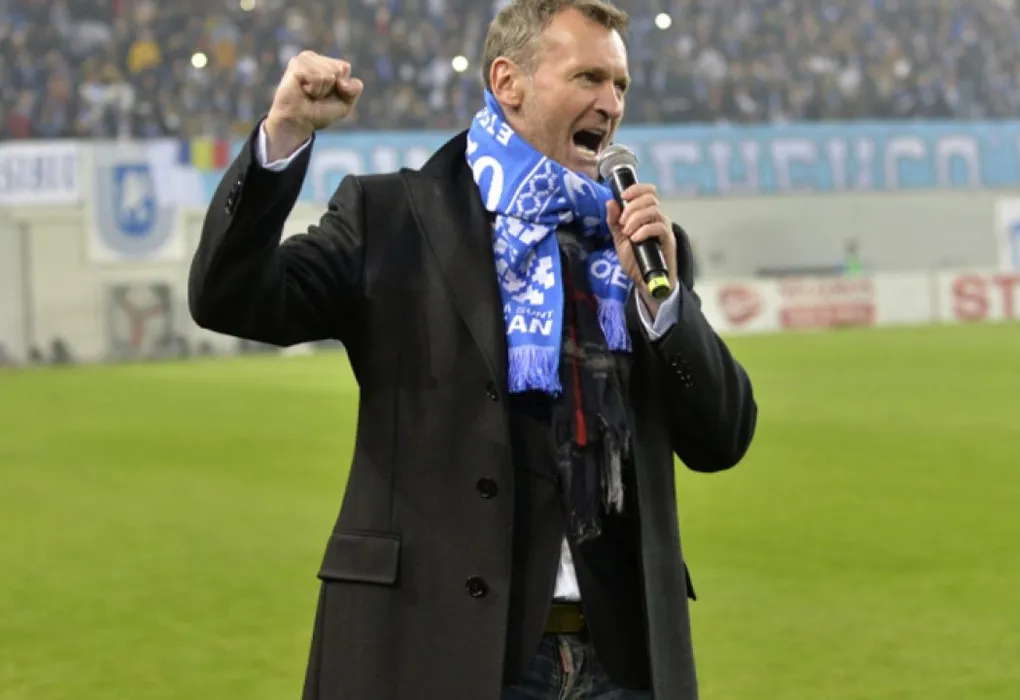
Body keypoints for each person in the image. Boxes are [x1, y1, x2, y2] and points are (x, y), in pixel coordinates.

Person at [186, 1, 758, 699]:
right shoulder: (394, 218)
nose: (611, 104)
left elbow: (722, 438)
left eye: (620, 85)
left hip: (622, 661)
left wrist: (665, 308)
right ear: (508, 82)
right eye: (588, 78)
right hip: (447, 651)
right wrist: (284, 134)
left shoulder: (635, 249)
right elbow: (230, 297)